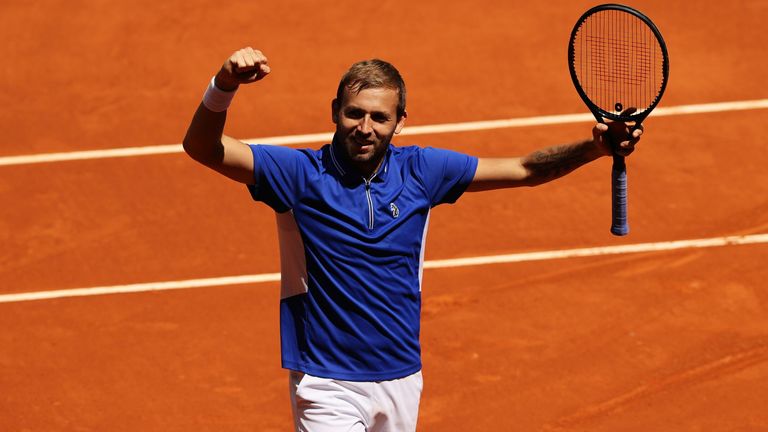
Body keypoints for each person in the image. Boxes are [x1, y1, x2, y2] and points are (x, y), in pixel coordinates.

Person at [183, 47, 642, 432]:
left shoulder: (423, 171)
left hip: (402, 375)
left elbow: (523, 169)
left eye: (380, 117)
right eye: (354, 114)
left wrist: (595, 149)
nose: (365, 127)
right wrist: (224, 85)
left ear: (400, 122)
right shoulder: (298, 174)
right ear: (333, 113)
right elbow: (202, 148)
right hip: (326, 381)